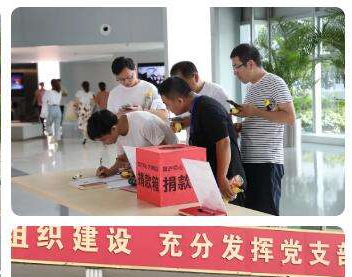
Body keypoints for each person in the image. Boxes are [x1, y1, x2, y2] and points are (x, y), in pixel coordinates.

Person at [158, 76, 246, 204]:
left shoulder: (208, 108)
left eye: (167, 104)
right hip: (214, 176)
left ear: (179, 100)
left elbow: (223, 142)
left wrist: (221, 178)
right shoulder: (198, 107)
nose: (167, 108)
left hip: (230, 181)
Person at [230, 43, 295, 215]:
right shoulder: (251, 87)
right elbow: (259, 118)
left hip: (267, 162)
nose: (235, 72)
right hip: (248, 160)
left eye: (237, 67)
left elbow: (289, 117)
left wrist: (255, 112)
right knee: (251, 213)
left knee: (266, 215)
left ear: (250, 63)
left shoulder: (275, 83)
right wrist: (242, 126)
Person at [87, 109, 177, 177]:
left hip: (173, 161)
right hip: (152, 162)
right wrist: (109, 171)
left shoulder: (143, 123)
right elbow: (122, 160)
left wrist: (144, 169)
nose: (104, 143)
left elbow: (166, 153)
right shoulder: (117, 133)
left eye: (103, 140)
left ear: (113, 129)